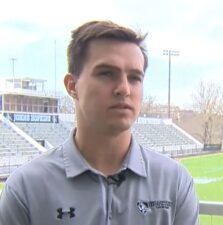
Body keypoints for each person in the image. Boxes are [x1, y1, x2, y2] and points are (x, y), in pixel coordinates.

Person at [0, 20, 199, 225]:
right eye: (106, 73)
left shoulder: (174, 182)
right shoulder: (26, 188)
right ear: (72, 86)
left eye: (134, 78)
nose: (124, 88)